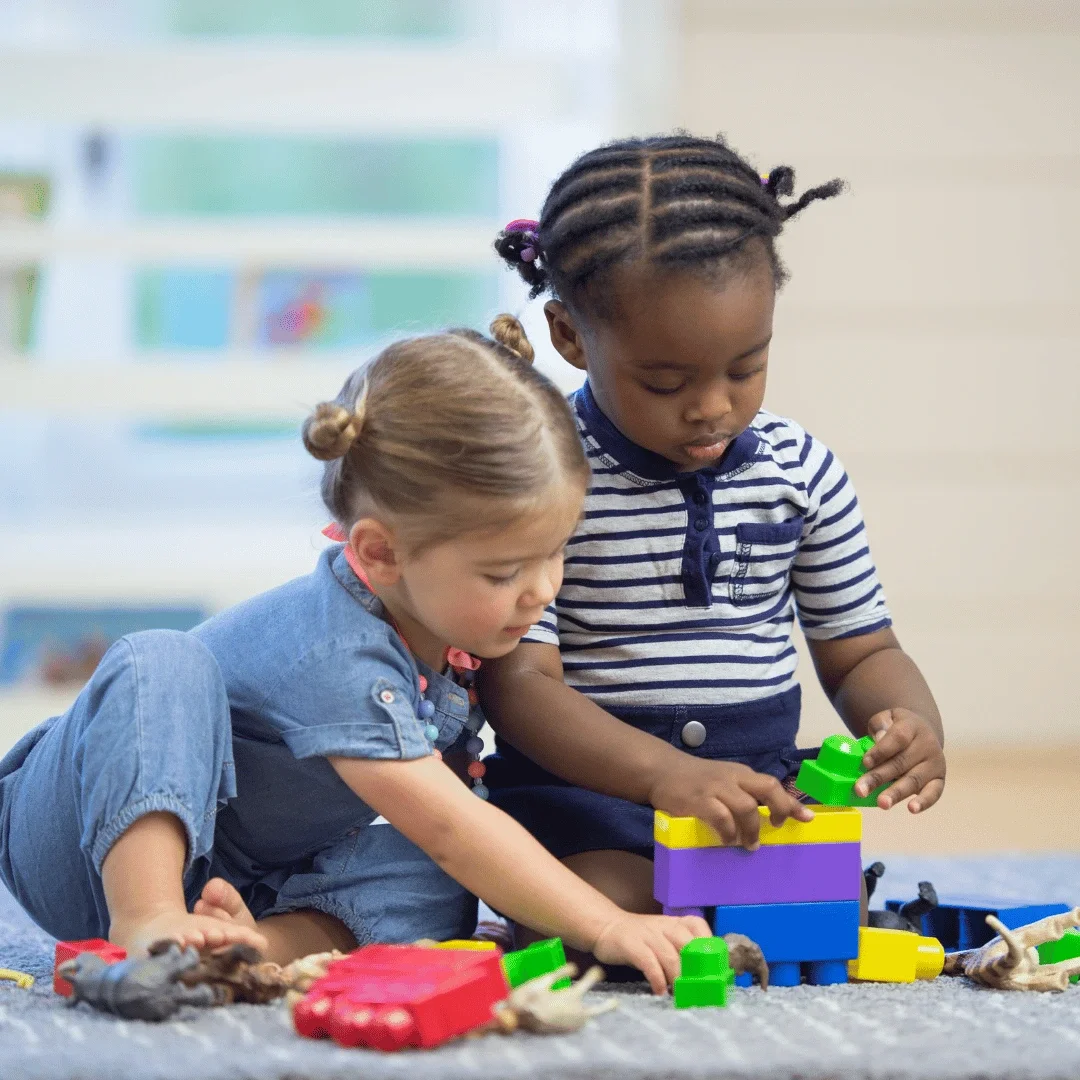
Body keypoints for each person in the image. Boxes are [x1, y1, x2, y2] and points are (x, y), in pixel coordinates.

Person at [0, 317, 710, 993]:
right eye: (503, 574)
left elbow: (451, 838)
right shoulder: (340, 648)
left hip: (236, 872)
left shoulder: (447, 631)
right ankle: (147, 923)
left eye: (556, 553)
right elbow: (451, 824)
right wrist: (605, 922)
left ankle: (254, 949)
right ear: (378, 552)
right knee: (163, 662)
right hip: (78, 836)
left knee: (438, 880)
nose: (542, 592)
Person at [482, 134, 946, 925]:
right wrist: (663, 776)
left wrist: (908, 725)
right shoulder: (544, 476)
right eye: (665, 381)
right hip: (593, 798)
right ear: (568, 337)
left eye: (745, 367)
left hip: (755, 798)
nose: (712, 407)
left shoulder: (802, 473)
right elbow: (518, 683)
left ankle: (737, 901)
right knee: (597, 902)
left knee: (823, 907)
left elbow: (862, 649)